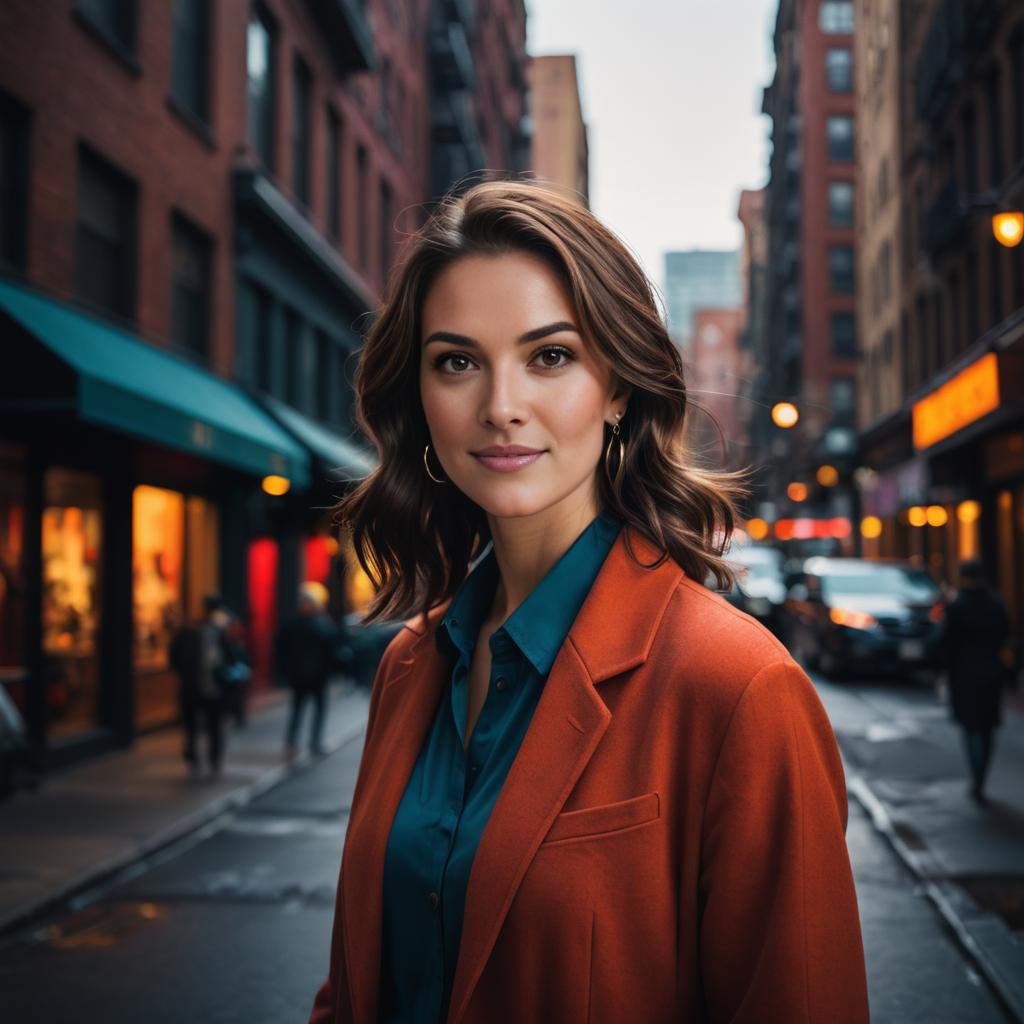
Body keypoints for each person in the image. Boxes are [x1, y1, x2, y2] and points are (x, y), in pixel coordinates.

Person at [309, 179, 869, 1023]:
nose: (501, 408)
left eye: (550, 356)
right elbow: (356, 987)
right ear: (419, 400)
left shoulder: (737, 686)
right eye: (457, 362)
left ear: (616, 391)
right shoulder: (409, 667)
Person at [942, 558, 1012, 805]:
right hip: (992, 672)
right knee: (987, 727)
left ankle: (977, 778)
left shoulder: (958, 605)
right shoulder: (996, 602)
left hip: (965, 674)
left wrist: (946, 676)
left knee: (971, 727)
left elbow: (948, 645)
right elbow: (1005, 635)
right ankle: (981, 776)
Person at [169, 594, 232, 777]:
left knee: (210, 725)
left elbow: (229, 658)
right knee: (196, 725)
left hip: (209, 687)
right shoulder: (192, 633)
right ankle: (198, 757)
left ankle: (210, 758)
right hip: (196, 686)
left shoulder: (217, 632)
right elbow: (174, 658)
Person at [277, 582, 338, 757]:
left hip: (302, 675)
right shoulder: (323, 624)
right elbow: (332, 648)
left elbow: (281, 647)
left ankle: (293, 743)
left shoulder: (293, 624)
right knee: (312, 709)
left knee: (298, 709)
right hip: (316, 675)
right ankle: (312, 742)